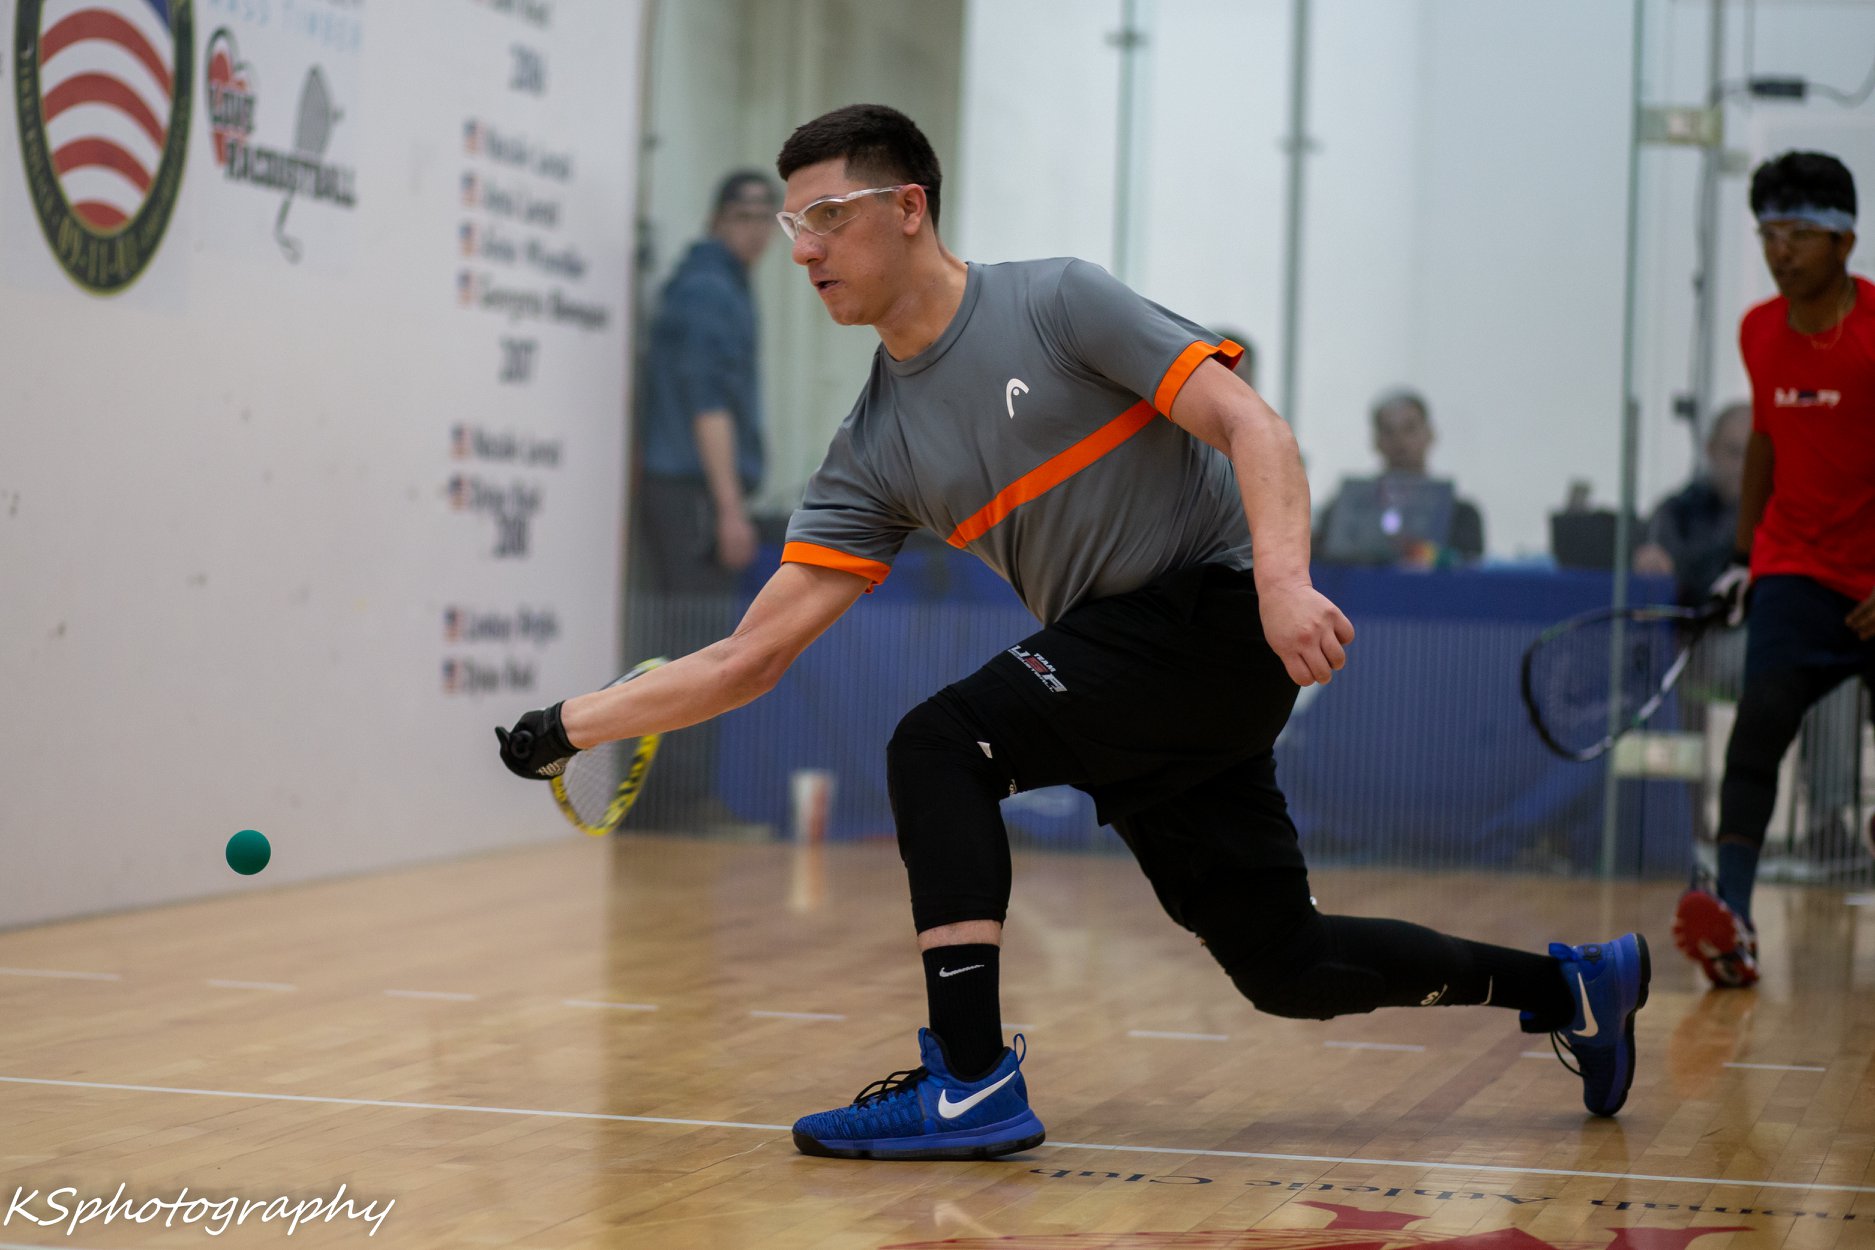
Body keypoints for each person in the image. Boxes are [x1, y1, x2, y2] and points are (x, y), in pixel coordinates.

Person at [497, 104, 1649, 1159]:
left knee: (939, 744)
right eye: (797, 226)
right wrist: (568, 723)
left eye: (828, 217)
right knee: (1287, 964)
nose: (804, 250)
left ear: (910, 208)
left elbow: (1254, 427)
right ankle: (1574, 987)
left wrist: (1284, 584)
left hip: (1213, 613)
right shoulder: (873, 449)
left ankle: (969, 1077)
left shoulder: (1058, 305)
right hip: (1139, 668)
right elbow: (748, 655)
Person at [1672, 151, 1875, 990]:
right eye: (1765, 234)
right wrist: (1740, 554)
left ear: (1843, 241)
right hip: (1795, 566)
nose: (1777, 251)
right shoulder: (1758, 329)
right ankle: (1735, 925)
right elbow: (1763, 439)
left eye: (1796, 233)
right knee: (1758, 728)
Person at [630, 170, 780, 832]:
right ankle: (678, 804)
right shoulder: (707, 291)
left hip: (692, 492)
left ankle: (677, 802)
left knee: (694, 644)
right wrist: (728, 508)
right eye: (743, 214)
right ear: (717, 218)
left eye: (767, 216)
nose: (756, 229)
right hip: (692, 495)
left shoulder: (723, 285)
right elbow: (706, 403)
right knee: (696, 651)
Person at [1314, 390, 1485, 567]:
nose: (1400, 441)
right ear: (1376, 441)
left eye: (1410, 429)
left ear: (1429, 435)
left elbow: (1469, 568)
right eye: (1389, 431)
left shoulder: (1461, 517)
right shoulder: (1340, 514)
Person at [1633, 403, 1752, 606]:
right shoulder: (1679, 511)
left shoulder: (1775, 518)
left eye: (1751, 455)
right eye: (1734, 452)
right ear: (1711, 449)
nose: (1742, 466)